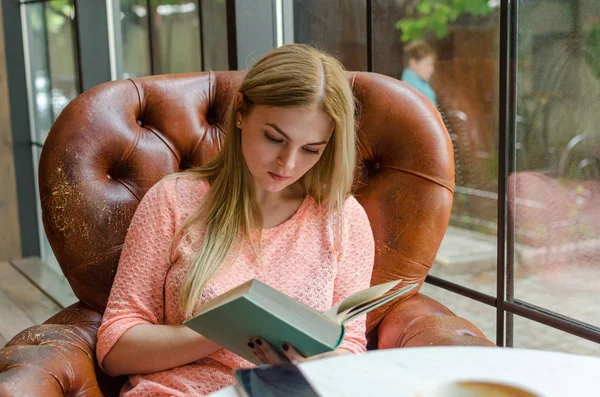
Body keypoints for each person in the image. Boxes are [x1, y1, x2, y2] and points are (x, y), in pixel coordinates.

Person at [96, 44, 375, 396]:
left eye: (311, 150)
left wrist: (307, 365)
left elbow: (350, 349)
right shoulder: (174, 201)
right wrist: (223, 330)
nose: (287, 165)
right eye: (274, 138)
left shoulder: (342, 219)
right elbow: (115, 349)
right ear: (241, 111)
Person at [401, 40, 438, 106]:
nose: (432, 69)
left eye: (432, 65)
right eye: (428, 65)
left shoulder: (420, 85)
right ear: (413, 63)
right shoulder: (411, 90)